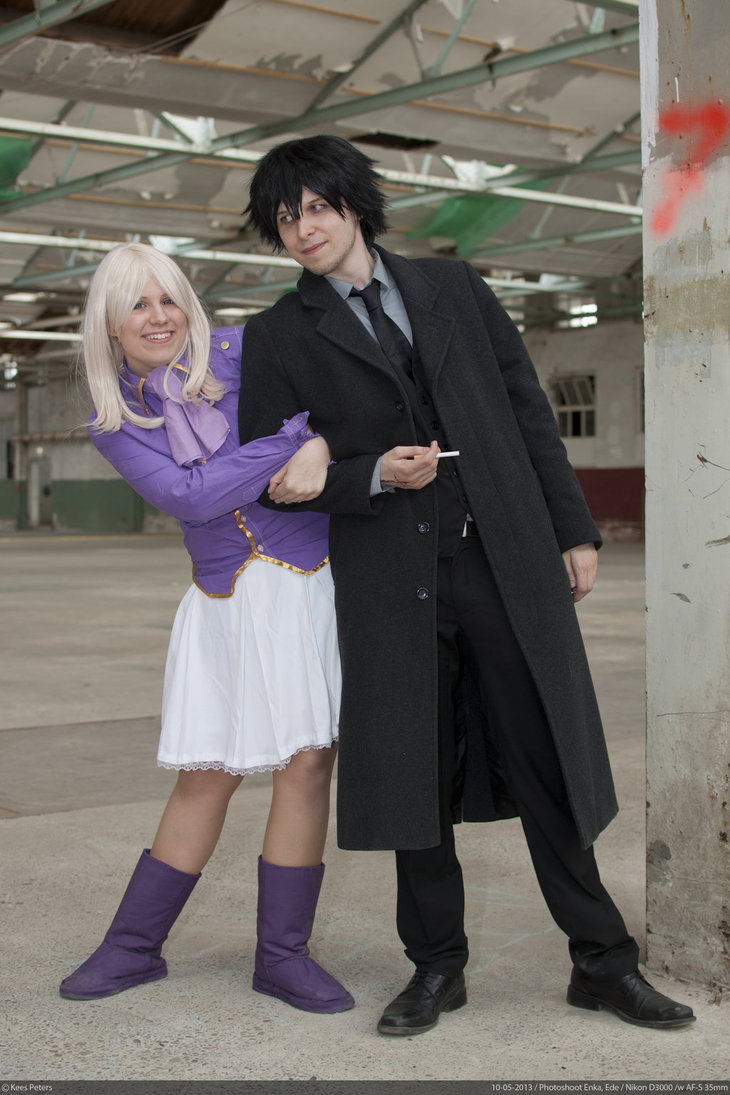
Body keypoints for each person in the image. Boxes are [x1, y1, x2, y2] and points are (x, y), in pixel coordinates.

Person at [237, 135, 695, 1035]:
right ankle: (436, 966)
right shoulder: (279, 334)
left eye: (318, 207)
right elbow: (266, 470)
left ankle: (603, 961)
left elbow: (526, 406)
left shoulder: (454, 287)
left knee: (545, 752)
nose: (304, 229)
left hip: (501, 554)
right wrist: (370, 473)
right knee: (415, 771)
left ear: (355, 204)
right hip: (388, 577)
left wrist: (571, 526)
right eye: (285, 218)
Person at [58, 241, 353, 1015]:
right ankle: (133, 945)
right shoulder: (115, 419)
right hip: (222, 600)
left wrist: (322, 436)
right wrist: (293, 441)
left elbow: (343, 399)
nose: (158, 317)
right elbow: (191, 497)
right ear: (110, 324)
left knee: (307, 763)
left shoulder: (247, 349)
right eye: (137, 304)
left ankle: (283, 955)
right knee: (206, 771)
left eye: (168, 299)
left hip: (306, 585)